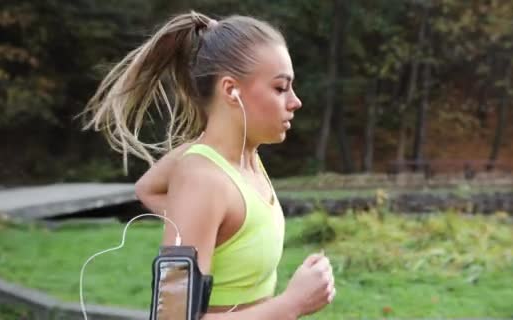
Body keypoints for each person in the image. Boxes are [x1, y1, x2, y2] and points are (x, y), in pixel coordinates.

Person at [82, 10, 335, 319]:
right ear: (231, 90)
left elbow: (147, 188)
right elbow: (172, 318)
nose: (295, 101)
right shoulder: (202, 181)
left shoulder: (247, 162)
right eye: (280, 87)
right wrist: (292, 303)